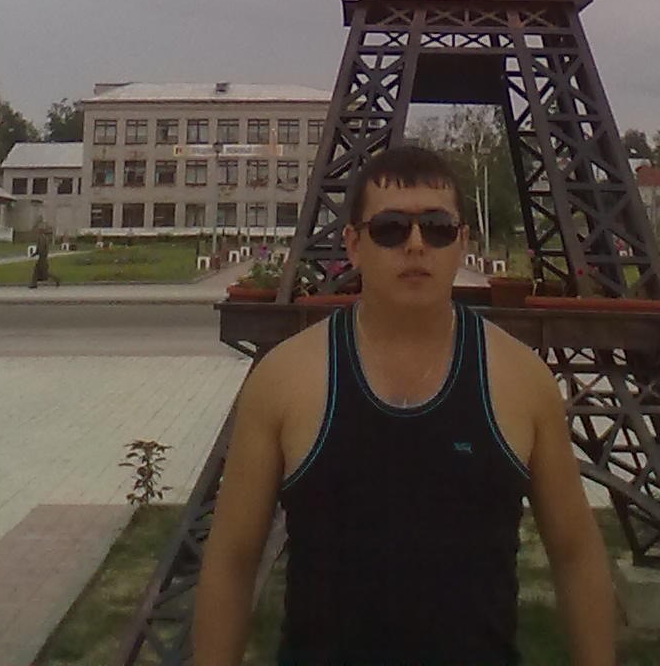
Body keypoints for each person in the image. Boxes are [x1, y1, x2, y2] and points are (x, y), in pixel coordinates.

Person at [192, 142, 616, 666]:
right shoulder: (283, 379)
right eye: (390, 228)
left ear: (462, 242)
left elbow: (575, 551)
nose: (416, 245)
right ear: (353, 244)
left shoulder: (524, 380)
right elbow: (232, 559)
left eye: (437, 228)